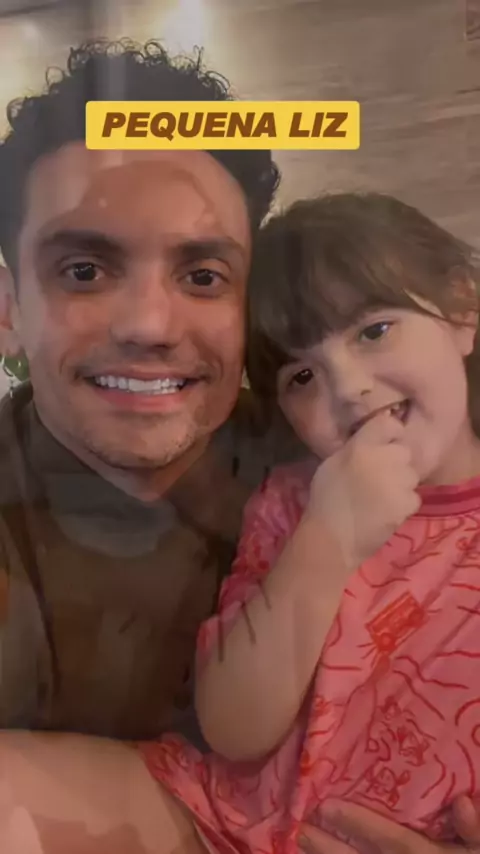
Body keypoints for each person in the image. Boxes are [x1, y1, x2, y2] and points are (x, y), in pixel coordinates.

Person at [135, 192, 480, 852]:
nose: (346, 387)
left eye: (373, 331)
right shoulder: (295, 501)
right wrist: (330, 538)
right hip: (225, 819)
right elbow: (235, 729)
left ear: (462, 309)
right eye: (301, 376)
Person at [0, 37, 280, 741]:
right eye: (84, 272)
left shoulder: (335, 466)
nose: (149, 326)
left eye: (203, 277)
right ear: (8, 310)